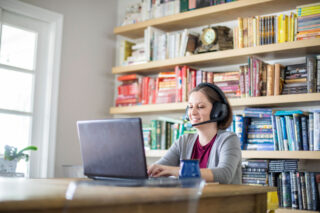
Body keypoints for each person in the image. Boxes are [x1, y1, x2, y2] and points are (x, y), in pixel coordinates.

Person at [147, 83, 242, 184]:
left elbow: (224, 174)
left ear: (217, 111)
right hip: (192, 198)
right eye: (190, 107)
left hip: (221, 199)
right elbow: (157, 169)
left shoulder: (229, 139)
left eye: (200, 107)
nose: (193, 112)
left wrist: (177, 171)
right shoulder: (184, 141)